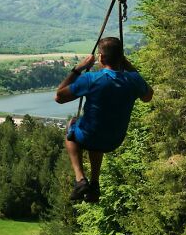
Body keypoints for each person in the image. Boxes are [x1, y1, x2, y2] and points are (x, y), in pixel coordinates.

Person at [54, 36, 153, 203]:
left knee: (72, 127)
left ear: (101, 57)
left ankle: (80, 179)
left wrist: (78, 68)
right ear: (122, 58)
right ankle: (94, 185)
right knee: (97, 131)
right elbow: (148, 96)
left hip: (90, 136)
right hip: (114, 140)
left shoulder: (92, 79)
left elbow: (59, 96)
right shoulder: (133, 80)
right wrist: (128, 66)